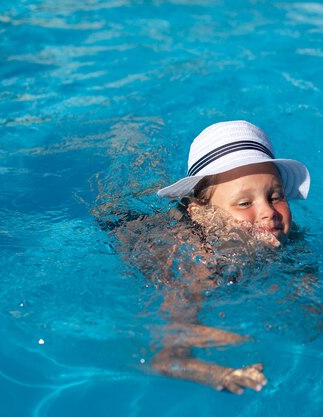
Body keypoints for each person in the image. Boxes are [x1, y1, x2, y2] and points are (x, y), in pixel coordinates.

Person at [114, 120, 310, 394]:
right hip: (124, 228)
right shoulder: (195, 262)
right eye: (244, 203)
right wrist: (219, 372)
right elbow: (166, 355)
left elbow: (305, 286)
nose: (269, 212)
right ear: (201, 213)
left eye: (275, 196)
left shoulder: (286, 234)